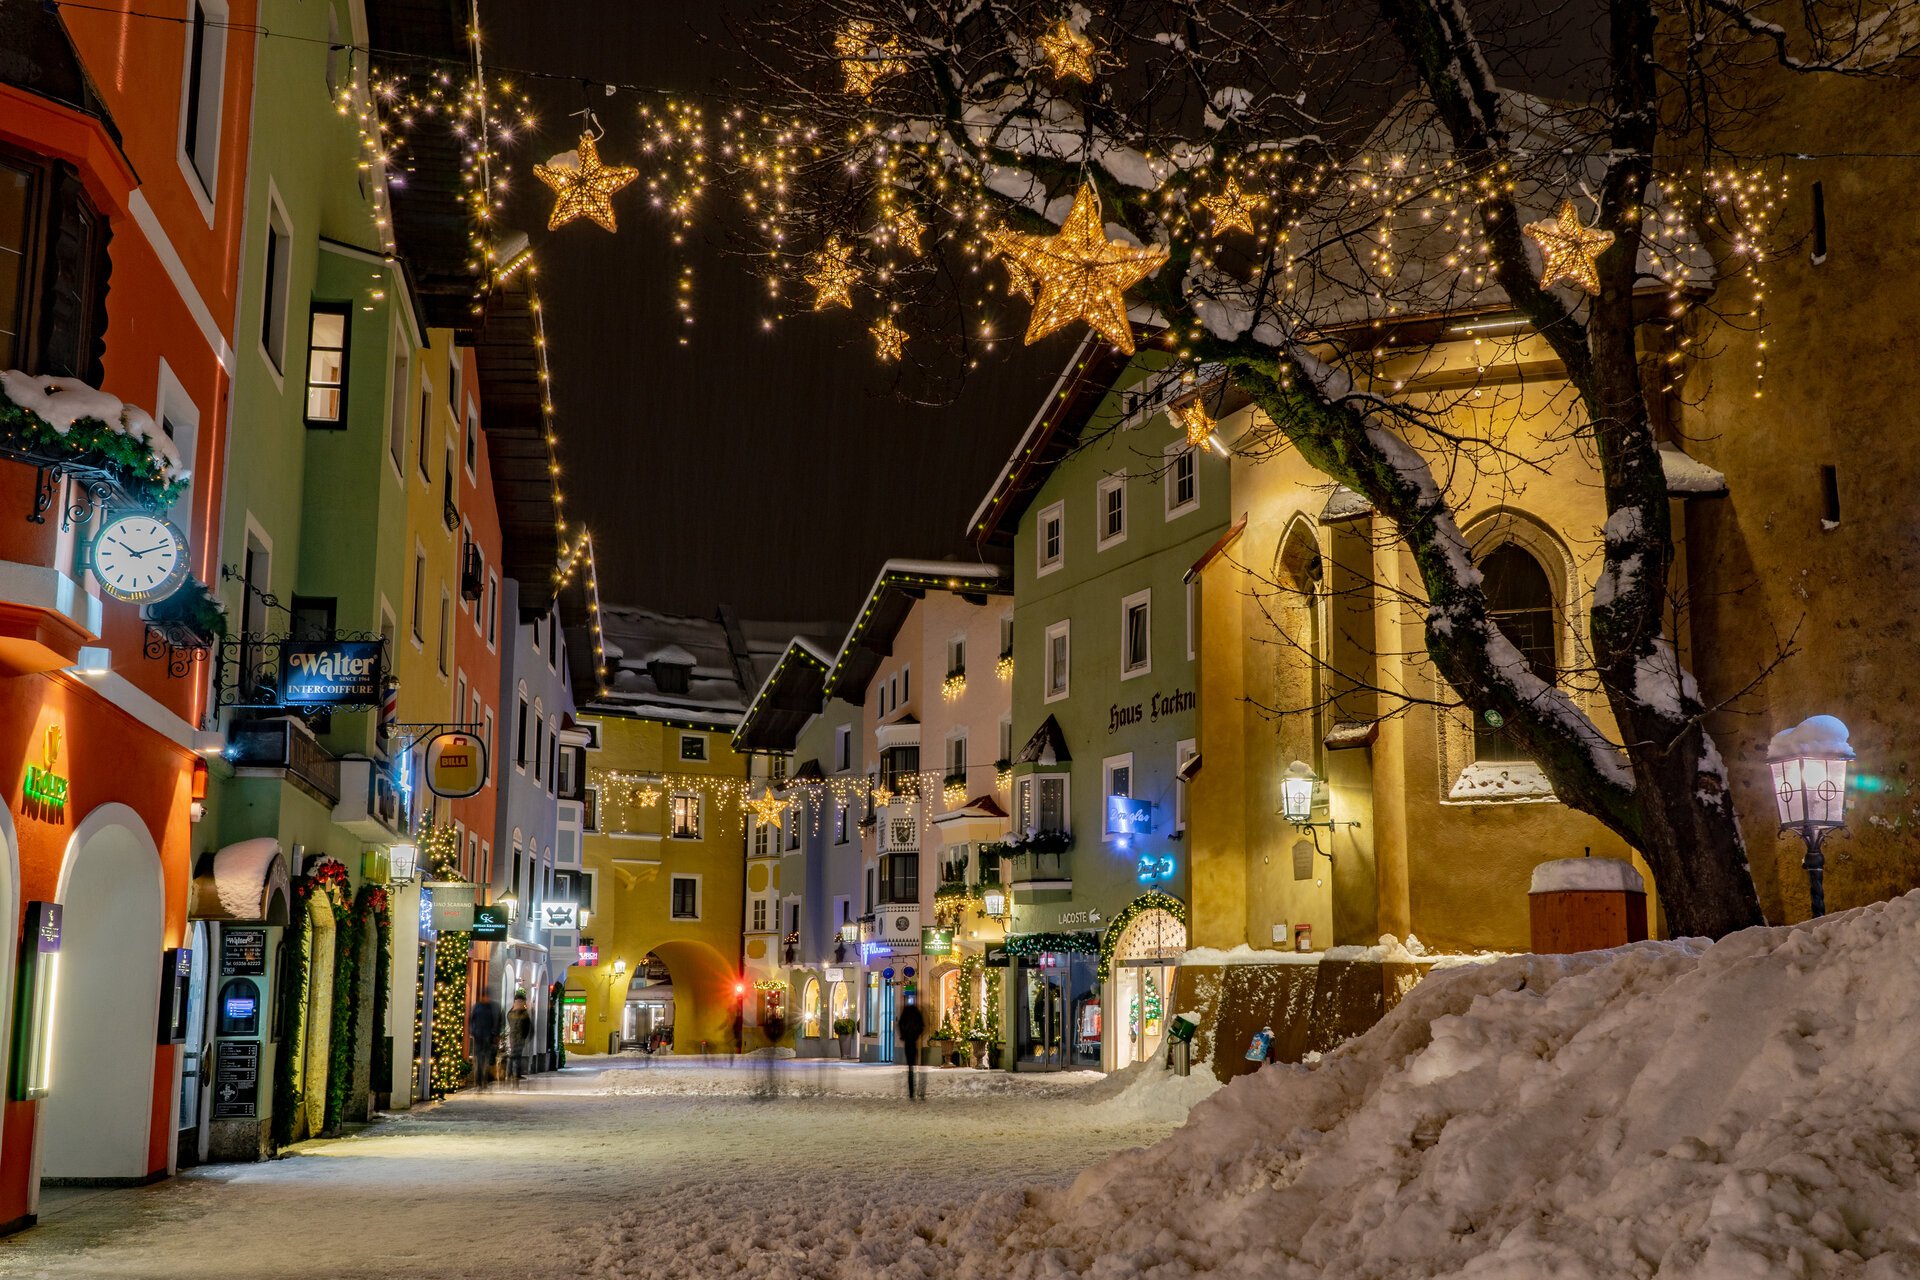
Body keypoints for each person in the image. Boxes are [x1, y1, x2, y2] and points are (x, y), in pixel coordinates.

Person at [467, 990, 502, 1093]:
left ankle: (484, 1081)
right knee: (479, 1060)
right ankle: (479, 1082)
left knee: (485, 1060)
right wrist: (473, 1031)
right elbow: (471, 1020)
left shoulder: (492, 1007)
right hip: (478, 1037)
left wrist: (494, 1034)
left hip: (488, 1038)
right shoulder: (477, 1007)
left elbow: (497, 1021)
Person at [896, 994, 926, 1100]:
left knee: (910, 1067)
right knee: (913, 1066)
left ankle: (911, 1092)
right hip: (913, 1041)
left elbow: (900, 1024)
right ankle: (915, 1090)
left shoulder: (906, 1012)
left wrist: (903, 1035)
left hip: (909, 1042)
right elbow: (922, 1026)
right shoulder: (916, 1012)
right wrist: (916, 1035)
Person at [506, 989, 536, 1087]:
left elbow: (527, 1026)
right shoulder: (523, 1014)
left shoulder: (511, 1013)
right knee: (515, 1056)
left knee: (516, 1056)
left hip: (515, 1037)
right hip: (518, 1037)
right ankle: (512, 1074)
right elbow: (527, 1026)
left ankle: (512, 1074)